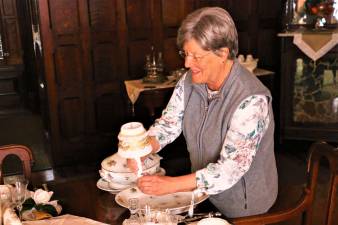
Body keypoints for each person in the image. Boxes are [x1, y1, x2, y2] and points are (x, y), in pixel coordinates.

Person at [129, 7, 278, 218]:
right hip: (204, 196)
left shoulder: (252, 100)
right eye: (186, 54)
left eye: (196, 56)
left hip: (243, 208)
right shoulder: (189, 81)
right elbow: (169, 123)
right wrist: (142, 149)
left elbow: (228, 171)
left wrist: (172, 185)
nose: (187, 63)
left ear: (223, 53)